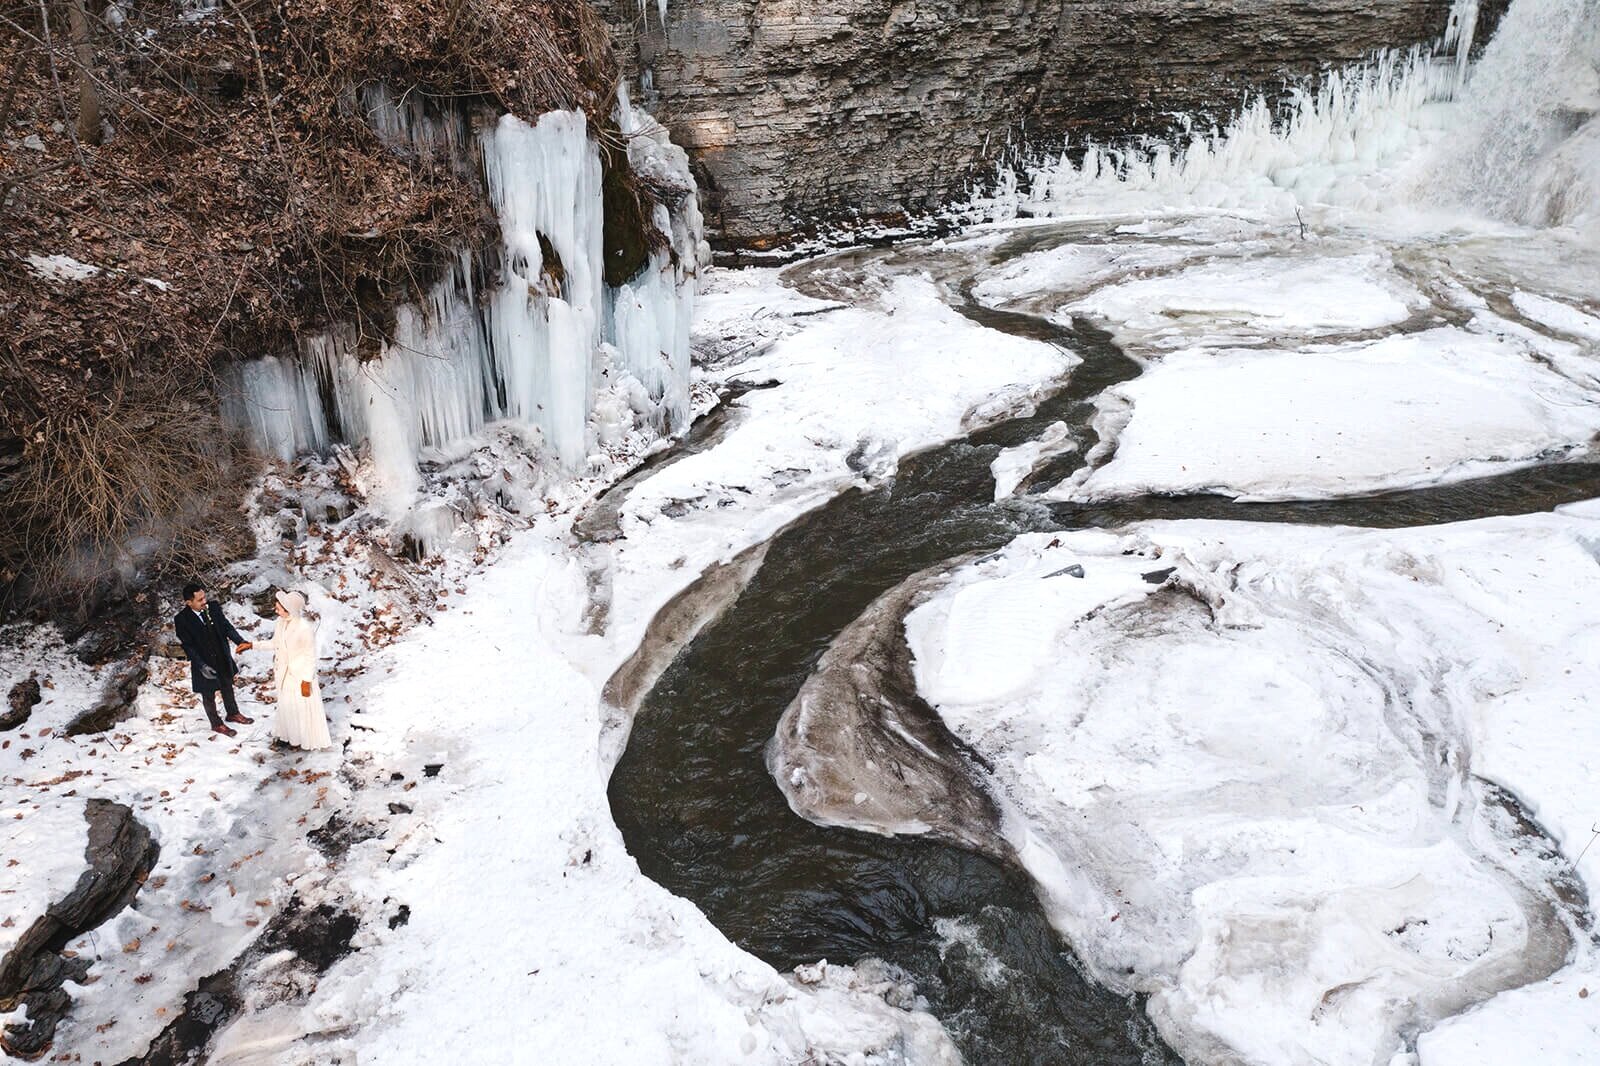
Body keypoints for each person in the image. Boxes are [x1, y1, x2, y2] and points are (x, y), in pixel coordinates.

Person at [253, 590, 331, 750]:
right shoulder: (281, 623)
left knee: (301, 708)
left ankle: (305, 739)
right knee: (287, 707)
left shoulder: (304, 628)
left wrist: (307, 680)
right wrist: (253, 645)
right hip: (284, 673)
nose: (276, 611)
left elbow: (310, 657)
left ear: (288, 610)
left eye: (279, 609)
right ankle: (287, 736)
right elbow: (275, 643)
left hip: (300, 675)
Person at [174, 582, 254, 737]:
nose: (204, 601)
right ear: (188, 602)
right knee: (208, 693)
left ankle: (233, 713)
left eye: (204, 597)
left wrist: (240, 641)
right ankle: (216, 723)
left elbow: (226, 626)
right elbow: (188, 646)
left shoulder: (214, 607)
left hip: (221, 655)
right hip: (203, 661)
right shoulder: (181, 619)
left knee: (227, 685)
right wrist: (201, 666)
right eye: (199, 600)